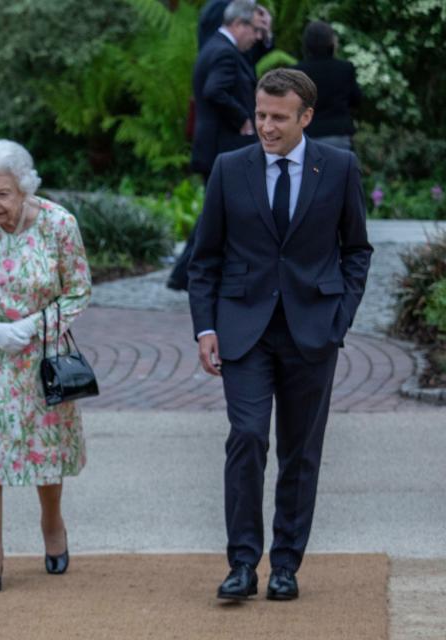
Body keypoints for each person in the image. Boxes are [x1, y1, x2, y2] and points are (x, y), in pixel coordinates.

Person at [187, 68, 372, 601]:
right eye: (261, 114)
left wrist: (340, 319)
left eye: (278, 117)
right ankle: (243, 562)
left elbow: (357, 250)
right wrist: (206, 327)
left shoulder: (338, 167)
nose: (266, 126)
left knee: (300, 451)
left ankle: (286, 564)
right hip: (243, 330)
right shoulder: (229, 167)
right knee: (246, 437)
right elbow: (206, 259)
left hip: (313, 331)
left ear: (305, 117)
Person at [0, 140, 92, 593]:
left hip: (42, 356)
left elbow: (78, 290)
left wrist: (36, 324)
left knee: (44, 453)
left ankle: (52, 524)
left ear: (25, 190)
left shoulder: (58, 224)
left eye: (3, 194)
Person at [169, 0, 265, 292]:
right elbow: (215, 90)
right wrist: (243, 120)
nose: (257, 38)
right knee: (216, 213)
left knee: (217, 212)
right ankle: (185, 273)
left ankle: (188, 273)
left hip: (217, 147)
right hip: (223, 147)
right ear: (239, 24)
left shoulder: (215, 47)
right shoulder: (224, 52)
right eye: (255, 31)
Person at [293, 20, 362, 151]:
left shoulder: (297, 72)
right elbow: (356, 100)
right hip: (338, 134)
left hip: (307, 135)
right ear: (331, 42)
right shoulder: (345, 68)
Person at [197, 0, 274, 63]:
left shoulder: (250, 10)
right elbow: (214, 51)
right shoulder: (220, 7)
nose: (258, 36)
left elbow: (253, 57)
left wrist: (266, 32)